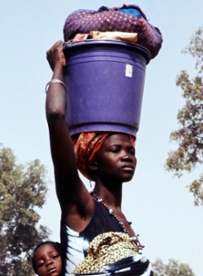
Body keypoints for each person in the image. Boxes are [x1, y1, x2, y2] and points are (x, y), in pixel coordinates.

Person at [45, 41, 149, 275]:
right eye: (116, 150)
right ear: (93, 160)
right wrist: (58, 69)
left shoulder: (123, 221)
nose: (127, 156)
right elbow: (55, 116)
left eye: (130, 151)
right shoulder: (82, 207)